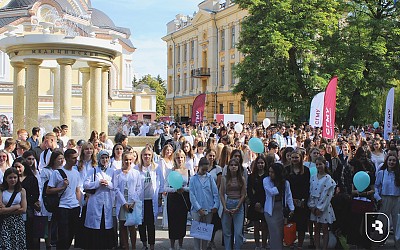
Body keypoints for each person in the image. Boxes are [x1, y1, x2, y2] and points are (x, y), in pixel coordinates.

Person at [47, 149, 81, 250]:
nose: (76, 160)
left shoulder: (76, 173)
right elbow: (48, 190)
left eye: (76, 157)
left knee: (71, 233)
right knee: (63, 234)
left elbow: (77, 190)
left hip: (74, 207)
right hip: (62, 206)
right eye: (73, 158)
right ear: (67, 159)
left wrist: (79, 205)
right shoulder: (57, 173)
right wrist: (62, 187)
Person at [83, 150, 115, 249]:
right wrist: (97, 183)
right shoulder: (92, 170)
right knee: (95, 225)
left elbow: (115, 185)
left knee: (106, 224)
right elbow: (85, 184)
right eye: (102, 158)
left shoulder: (112, 171)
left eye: (106, 158)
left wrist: (108, 184)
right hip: (95, 201)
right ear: (99, 159)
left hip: (107, 201)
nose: (104, 160)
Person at [135, 146, 163, 250]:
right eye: (145, 154)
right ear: (141, 156)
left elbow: (161, 182)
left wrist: (160, 197)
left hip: (152, 200)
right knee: (142, 223)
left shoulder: (156, 168)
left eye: (149, 155)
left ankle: (152, 245)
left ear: (152, 156)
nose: (147, 156)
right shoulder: (136, 168)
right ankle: (144, 244)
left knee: (151, 224)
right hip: (140, 200)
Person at [189, 157, 220, 250]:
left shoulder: (209, 177)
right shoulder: (193, 179)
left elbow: (215, 193)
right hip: (196, 210)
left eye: (207, 170)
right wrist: (198, 208)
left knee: (206, 233)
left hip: (208, 208)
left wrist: (216, 205)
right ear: (199, 167)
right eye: (203, 169)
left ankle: (204, 247)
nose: (205, 171)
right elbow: (192, 195)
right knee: (197, 233)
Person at [114, 151, 142, 249]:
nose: (128, 162)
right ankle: (125, 245)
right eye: (126, 160)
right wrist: (124, 203)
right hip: (122, 203)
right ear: (122, 160)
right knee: (122, 225)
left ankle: (133, 246)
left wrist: (133, 202)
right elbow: (116, 188)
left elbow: (139, 188)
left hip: (132, 202)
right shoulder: (117, 173)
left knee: (132, 226)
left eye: (130, 159)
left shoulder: (136, 173)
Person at [263, 163, 295, 250]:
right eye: (269, 172)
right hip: (270, 211)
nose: (270, 174)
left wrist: (292, 208)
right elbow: (271, 192)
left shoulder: (286, 183)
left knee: (280, 233)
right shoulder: (266, 180)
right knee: (274, 232)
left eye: (272, 172)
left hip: (280, 209)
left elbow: (289, 196)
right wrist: (279, 185)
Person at [165, 150, 191, 250]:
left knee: (182, 222)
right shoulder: (170, 171)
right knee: (173, 222)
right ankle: (172, 246)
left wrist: (183, 189)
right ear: (174, 159)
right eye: (177, 157)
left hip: (183, 199)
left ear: (184, 158)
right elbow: (165, 187)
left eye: (181, 157)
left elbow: (191, 187)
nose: (179, 159)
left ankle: (180, 245)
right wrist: (175, 189)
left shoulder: (188, 171)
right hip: (173, 199)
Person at [308, 156, 336, 250]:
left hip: (324, 206)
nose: (319, 166)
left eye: (320, 164)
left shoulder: (328, 178)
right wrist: (312, 206)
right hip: (314, 205)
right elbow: (311, 191)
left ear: (324, 165)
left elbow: (327, 194)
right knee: (316, 227)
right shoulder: (313, 177)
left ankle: (324, 247)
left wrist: (320, 208)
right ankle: (317, 247)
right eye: (317, 164)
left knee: (324, 228)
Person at [220, 158, 246, 250]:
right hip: (227, 204)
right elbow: (221, 194)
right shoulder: (224, 178)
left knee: (238, 233)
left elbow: (243, 194)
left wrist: (238, 207)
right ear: (228, 167)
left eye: (235, 165)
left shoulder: (242, 178)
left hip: (238, 206)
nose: (233, 167)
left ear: (238, 167)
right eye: (231, 165)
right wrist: (224, 207)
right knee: (227, 232)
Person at [13, 158, 40, 249]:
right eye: (15, 167)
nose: (17, 169)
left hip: (28, 209)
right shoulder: (13, 179)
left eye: (19, 167)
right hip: (13, 209)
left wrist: (25, 202)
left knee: (29, 233)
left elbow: (36, 194)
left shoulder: (31, 179)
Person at [375, 153, 400, 248]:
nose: (391, 162)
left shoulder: (398, 173)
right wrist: (378, 197)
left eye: (394, 160)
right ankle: (377, 241)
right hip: (384, 198)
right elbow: (376, 186)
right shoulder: (382, 173)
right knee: (381, 221)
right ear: (387, 161)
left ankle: (398, 243)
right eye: (390, 160)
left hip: (397, 199)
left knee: (397, 222)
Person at [40, 150, 64, 249]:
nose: (61, 161)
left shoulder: (63, 170)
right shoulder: (46, 171)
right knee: (48, 224)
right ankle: (48, 244)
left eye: (63, 159)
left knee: (59, 223)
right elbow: (44, 187)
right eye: (59, 159)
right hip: (49, 200)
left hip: (61, 200)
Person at [0, 167, 27, 250]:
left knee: (18, 245)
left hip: (18, 223)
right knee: (6, 245)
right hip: (4, 223)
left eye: (15, 177)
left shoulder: (22, 191)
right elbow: (1, 211)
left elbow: (23, 209)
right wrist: (16, 207)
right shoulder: (1, 191)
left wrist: (7, 210)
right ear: (6, 178)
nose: (13, 180)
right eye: (10, 178)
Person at [247, 155, 269, 250]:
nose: (260, 165)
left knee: (264, 225)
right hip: (254, 203)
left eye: (262, 163)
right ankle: (257, 245)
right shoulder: (252, 176)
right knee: (256, 225)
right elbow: (249, 191)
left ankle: (264, 245)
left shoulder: (268, 176)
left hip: (265, 202)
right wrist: (255, 202)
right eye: (259, 163)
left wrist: (262, 204)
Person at [159, 144, 174, 229]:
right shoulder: (162, 161)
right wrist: (163, 187)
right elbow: (162, 174)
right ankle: (166, 223)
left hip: (171, 183)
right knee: (166, 204)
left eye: (170, 150)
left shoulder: (171, 161)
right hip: (165, 183)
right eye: (167, 150)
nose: (169, 152)